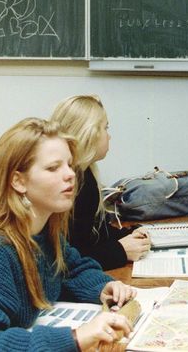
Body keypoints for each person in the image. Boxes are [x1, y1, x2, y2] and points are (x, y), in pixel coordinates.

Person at [0, 118, 136, 351]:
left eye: (70, 165)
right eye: (53, 167)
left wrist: (103, 287)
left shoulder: (43, 235)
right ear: (18, 181)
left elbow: (72, 269)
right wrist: (74, 339)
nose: (70, 174)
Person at [51, 95, 150, 270]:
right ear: (89, 134)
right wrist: (120, 251)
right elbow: (67, 259)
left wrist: (129, 234)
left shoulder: (87, 175)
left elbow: (94, 233)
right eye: (106, 128)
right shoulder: (72, 185)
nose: (109, 136)